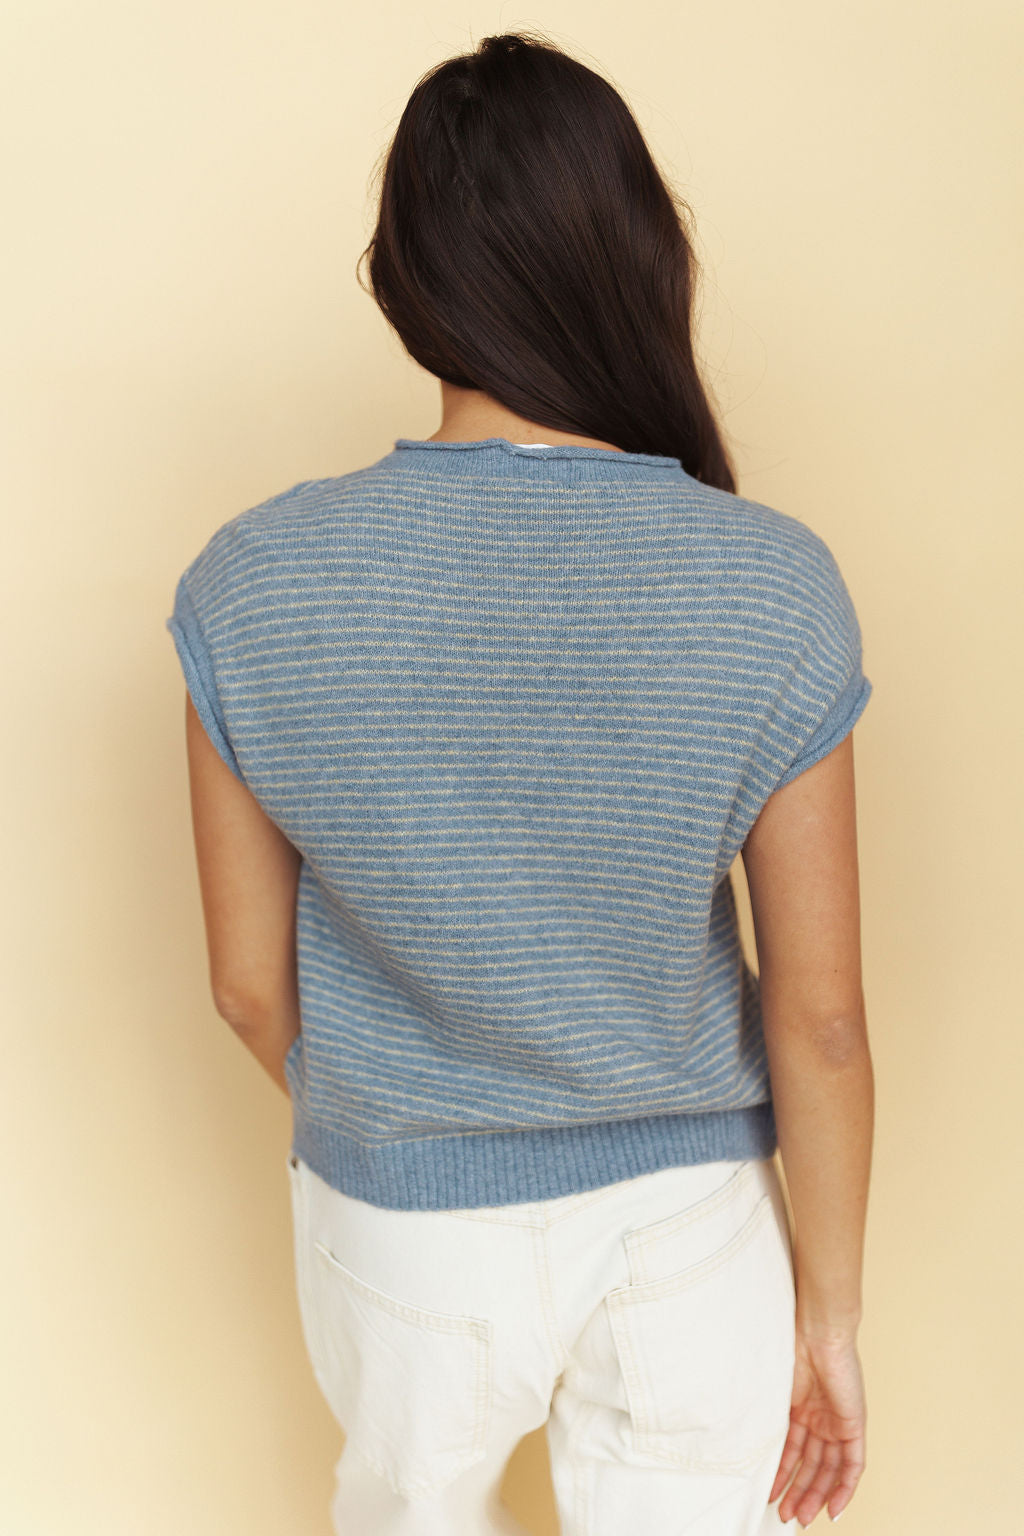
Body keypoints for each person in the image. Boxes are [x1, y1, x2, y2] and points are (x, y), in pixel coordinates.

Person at [165, 29, 873, 1536]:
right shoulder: (772, 583)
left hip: (401, 1227)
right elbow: (820, 1021)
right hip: (689, 1227)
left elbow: (244, 986)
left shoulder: (250, 582)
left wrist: (405, 1111)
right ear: (642, 256)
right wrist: (828, 1318)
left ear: (404, 279)